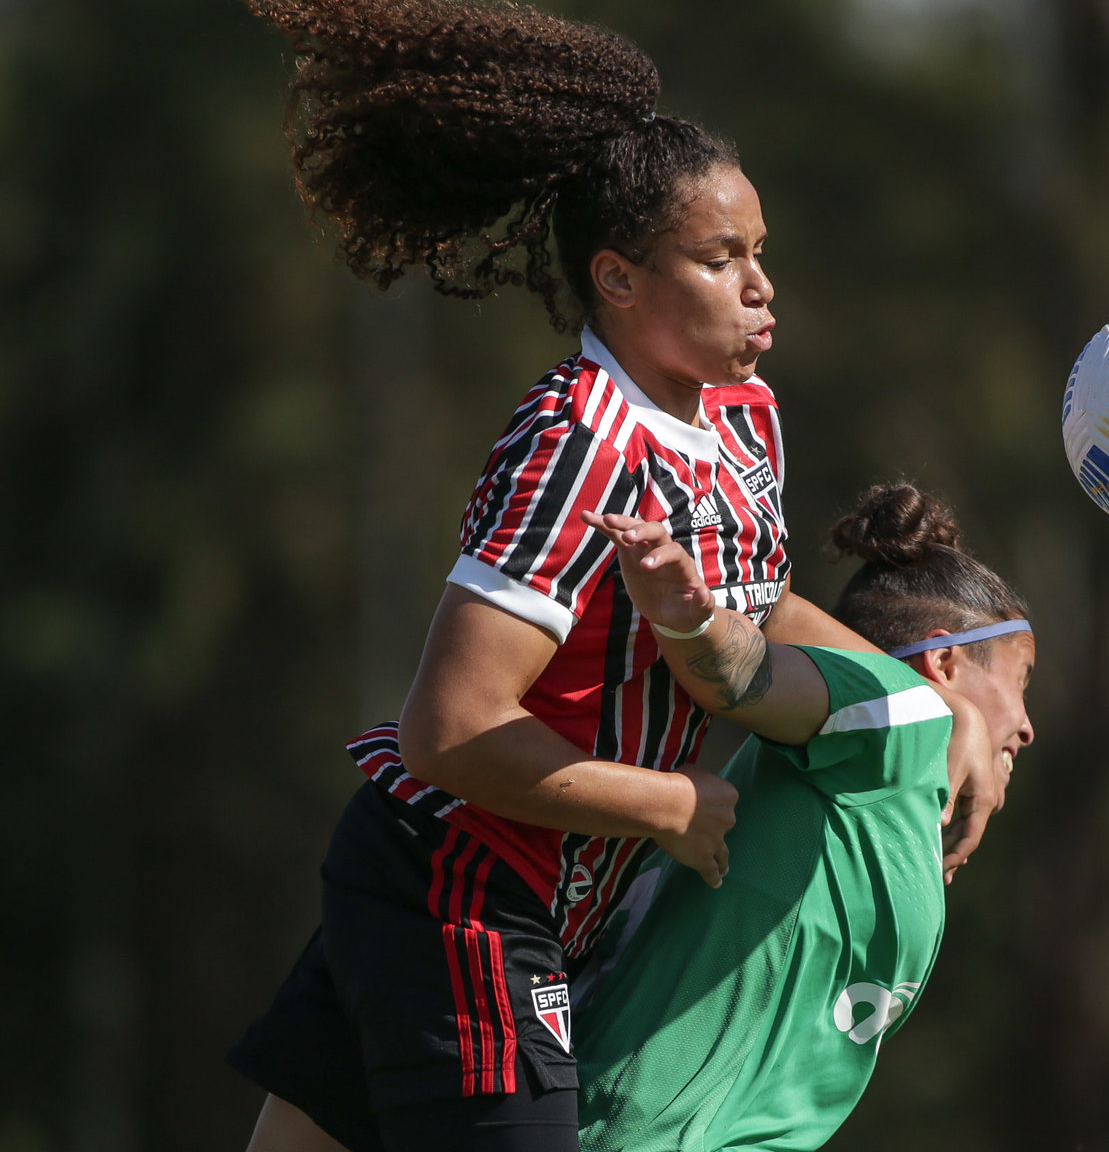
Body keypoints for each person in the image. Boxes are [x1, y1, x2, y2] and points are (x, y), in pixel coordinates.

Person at [229, 4, 1000, 1150]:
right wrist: (666, 804)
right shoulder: (576, 442)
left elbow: (756, 604)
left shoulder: (742, 415)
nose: (760, 287)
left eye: (759, 252)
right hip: (463, 886)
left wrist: (926, 710)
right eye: (719, 258)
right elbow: (447, 729)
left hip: (533, 897)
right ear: (619, 279)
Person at [570, 483, 1035, 1152]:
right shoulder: (906, 719)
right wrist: (688, 617)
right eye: (1021, 682)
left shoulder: (904, 804)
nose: (1027, 727)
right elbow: (737, 673)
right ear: (944, 661)